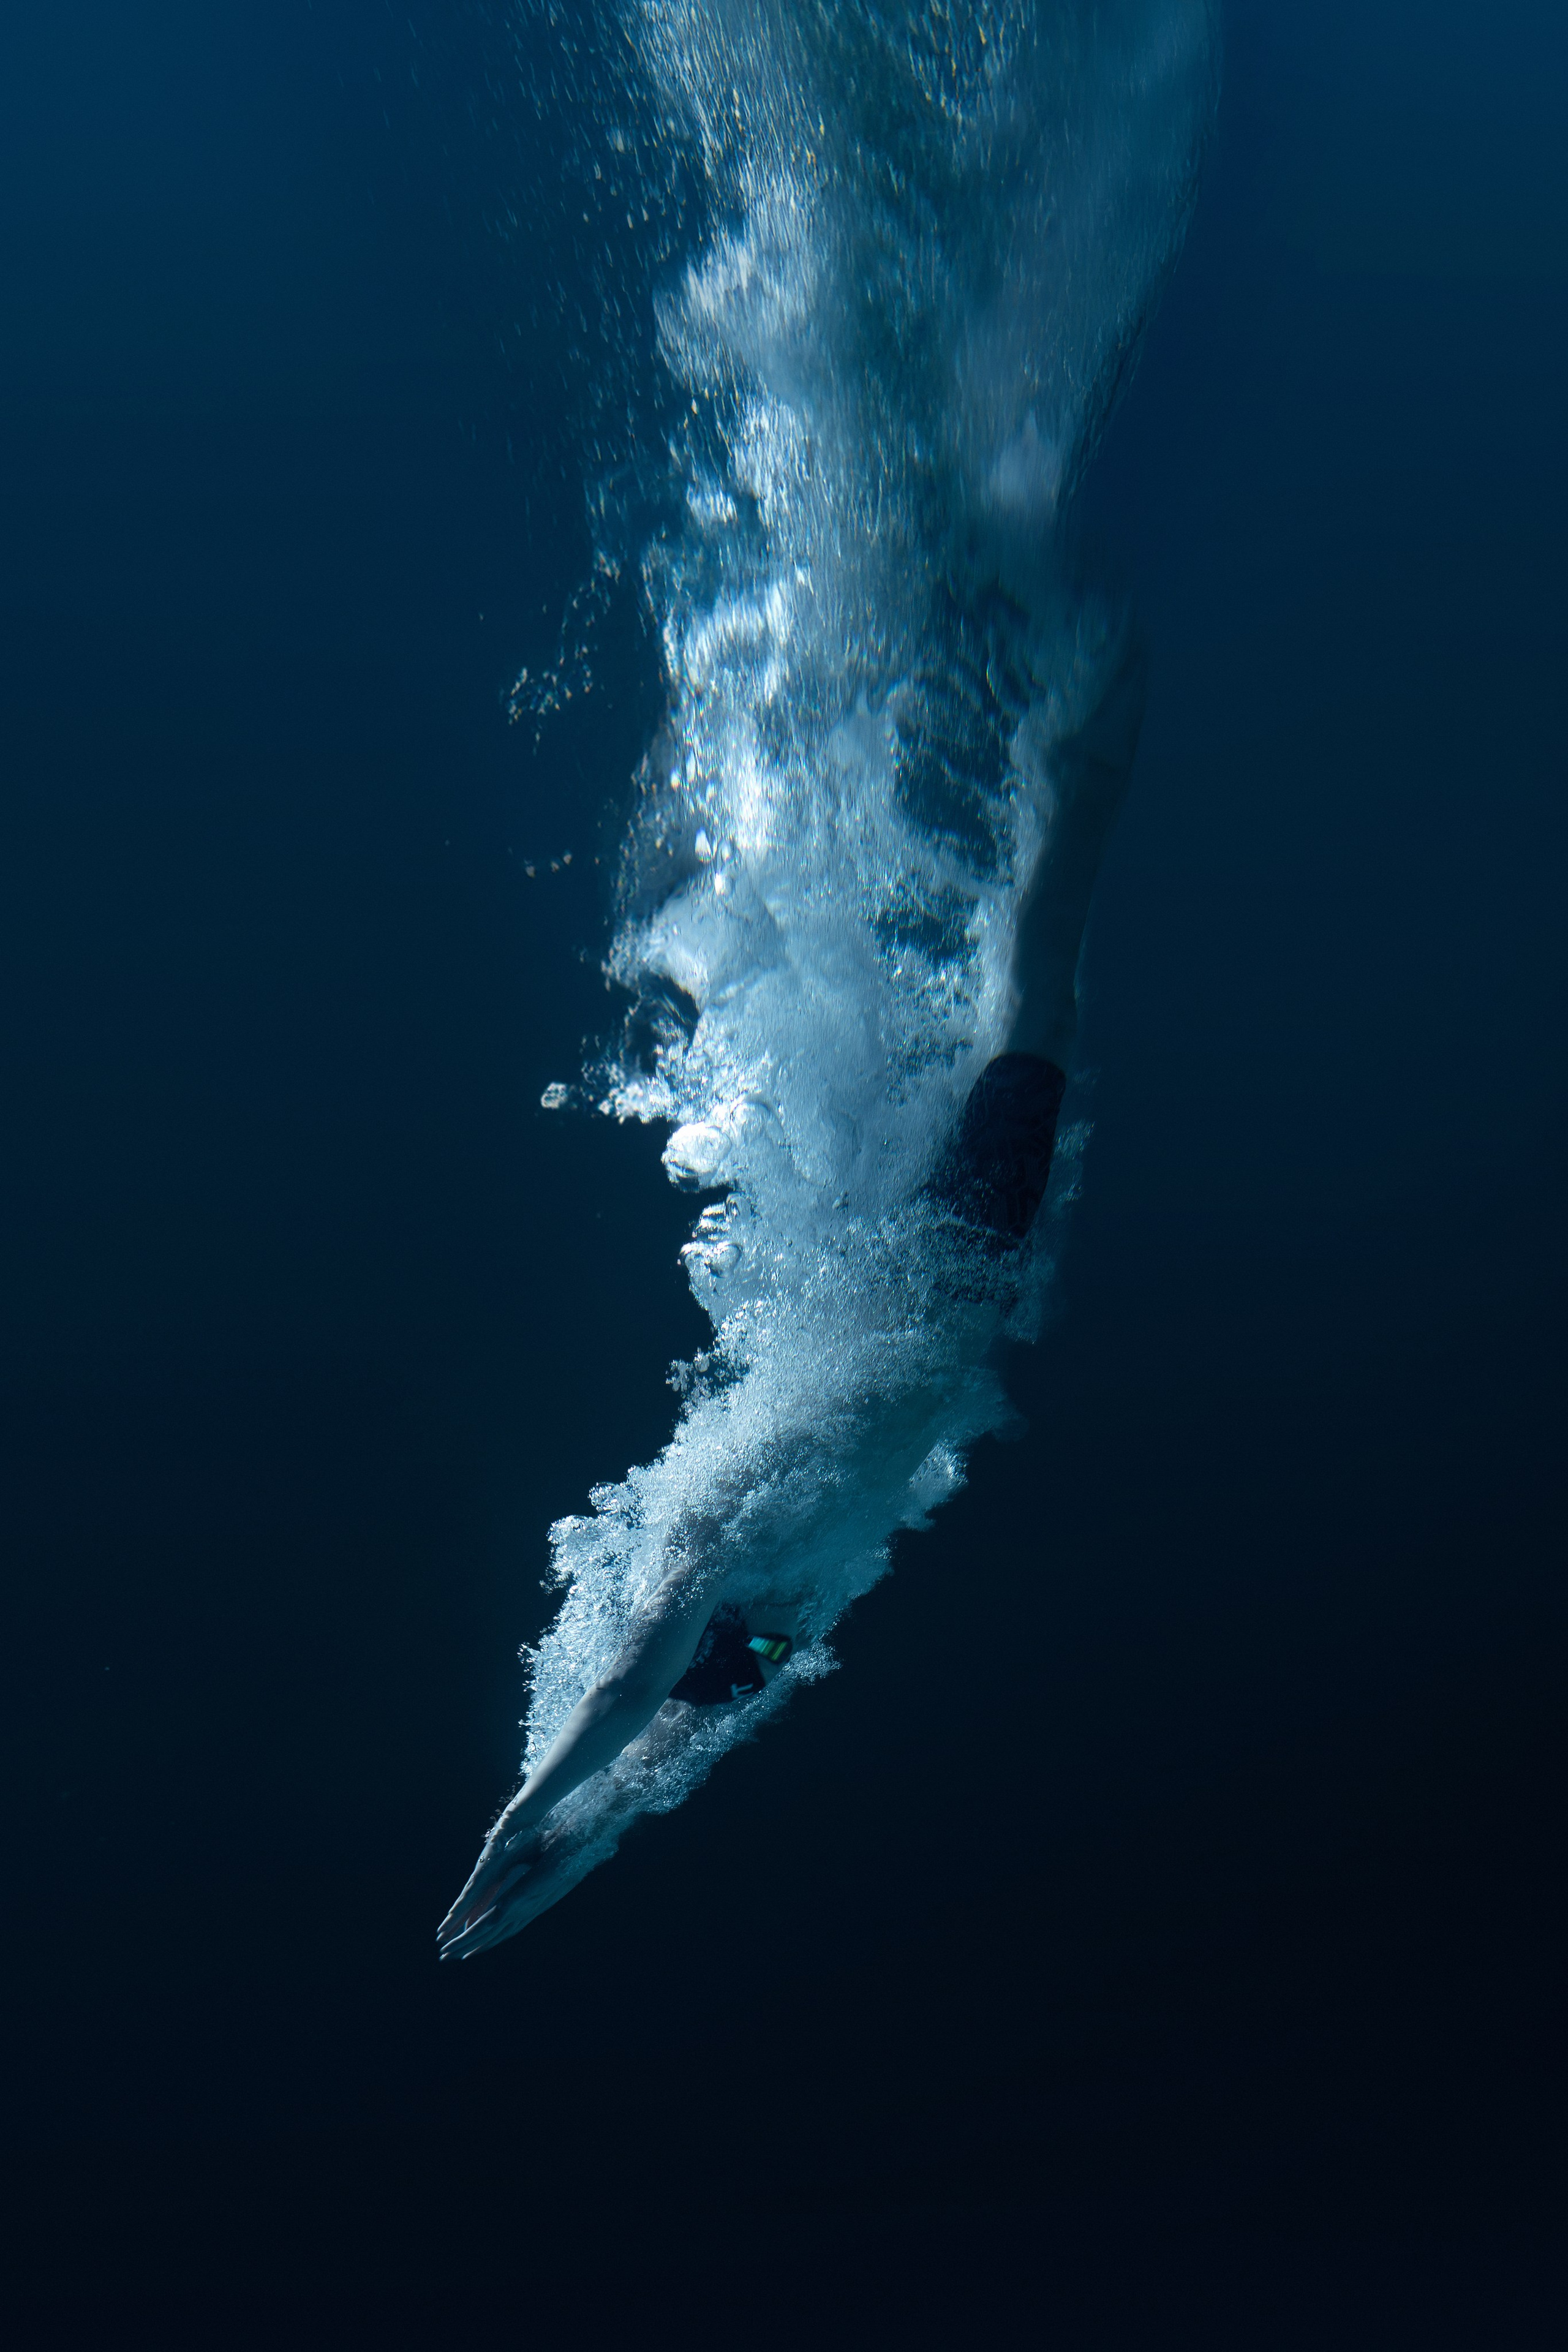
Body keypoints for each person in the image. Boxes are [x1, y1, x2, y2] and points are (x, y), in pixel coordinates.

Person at [437, 625, 1145, 1959]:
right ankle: (1063, 757)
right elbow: (645, 1777)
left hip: (934, 1272)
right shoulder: (772, 1625)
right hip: (954, 1290)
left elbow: (628, 1687)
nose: (761, 1657)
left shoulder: (706, 1538)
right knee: (1029, 1023)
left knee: (1034, 1022)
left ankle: (1076, 750)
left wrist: (516, 1812)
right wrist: (543, 1867)